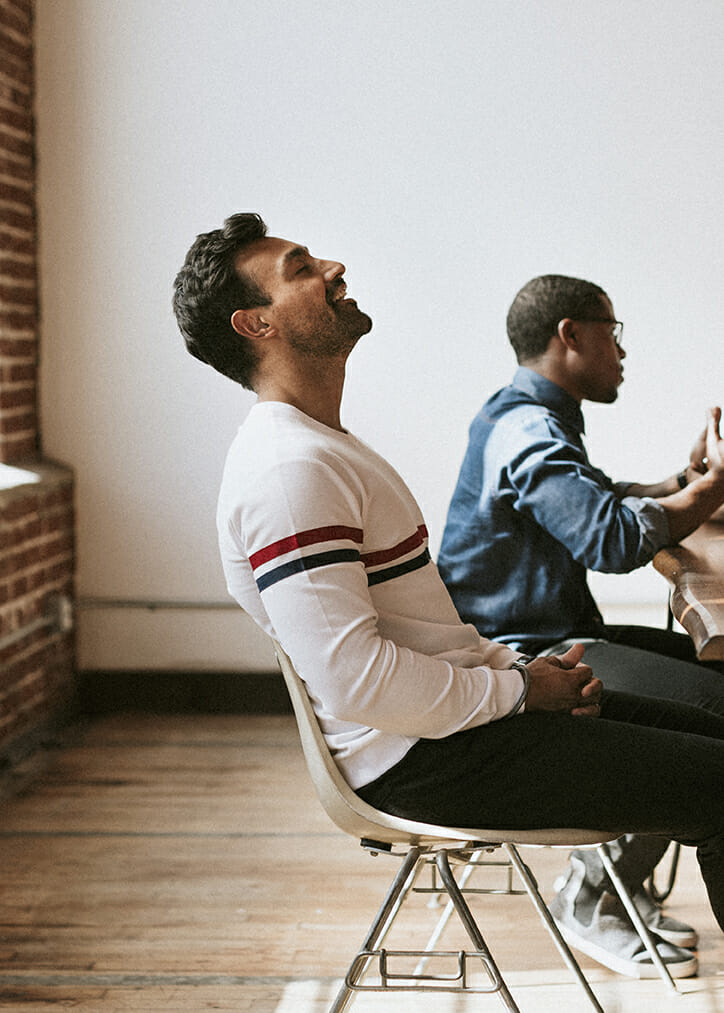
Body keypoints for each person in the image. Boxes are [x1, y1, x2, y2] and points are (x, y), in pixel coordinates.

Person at [172, 217, 724, 983]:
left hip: (455, 724)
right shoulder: (288, 471)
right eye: (300, 267)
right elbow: (358, 682)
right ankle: (598, 901)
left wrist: (521, 678)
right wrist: (522, 688)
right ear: (256, 323)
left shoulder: (320, 447)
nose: (332, 265)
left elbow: (419, 641)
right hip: (424, 757)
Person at [438, 272, 724, 976]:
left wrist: (676, 484)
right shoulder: (528, 426)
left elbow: (593, 498)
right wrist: (712, 488)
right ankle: (593, 894)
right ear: (570, 334)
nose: (621, 351)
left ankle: (613, 883)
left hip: (548, 631)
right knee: (711, 706)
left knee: (713, 675)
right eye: (612, 331)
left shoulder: (527, 413)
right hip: (525, 654)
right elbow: (611, 540)